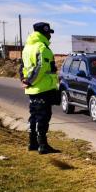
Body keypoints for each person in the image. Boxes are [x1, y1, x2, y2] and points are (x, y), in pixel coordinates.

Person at [20, 22, 59, 154]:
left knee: (34, 116)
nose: (50, 36)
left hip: (33, 89)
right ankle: (42, 145)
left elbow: (22, 67)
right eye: (49, 33)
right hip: (43, 88)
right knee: (43, 116)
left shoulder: (27, 48)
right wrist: (30, 81)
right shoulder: (42, 47)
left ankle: (32, 143)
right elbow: (41, 68)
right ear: (44, 32)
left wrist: (24, 80)